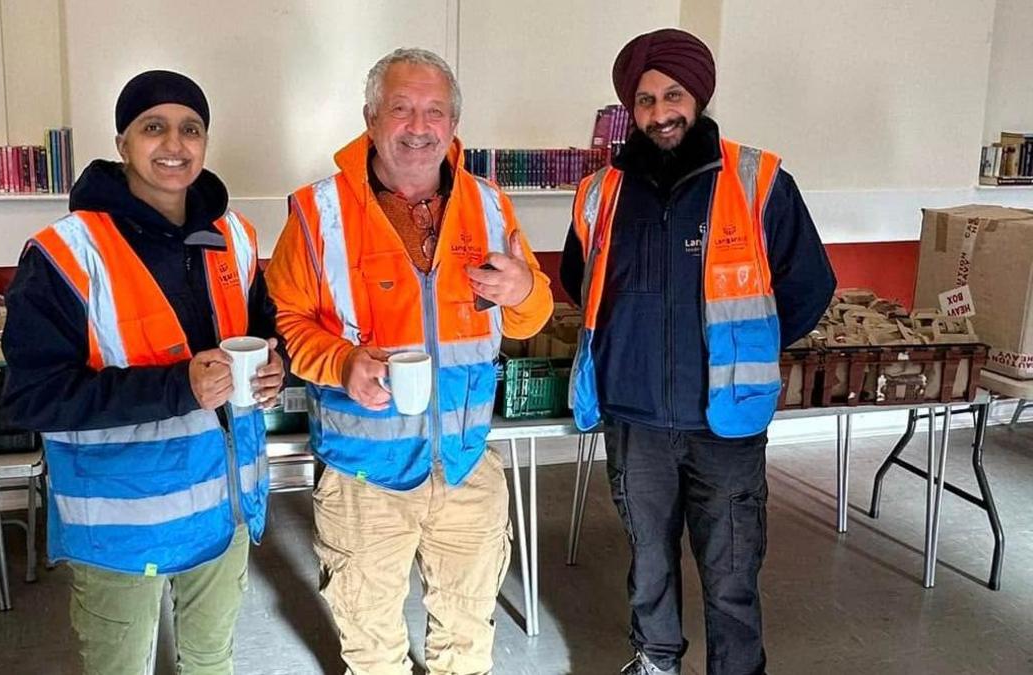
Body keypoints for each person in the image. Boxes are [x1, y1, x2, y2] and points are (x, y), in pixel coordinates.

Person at [265, 48, 552, 674]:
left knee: (467, 638)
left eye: (434, 111)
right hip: (364, 476)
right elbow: (288, 324)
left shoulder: (489, 205)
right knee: (371, 647)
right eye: (400, 109)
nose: (418, 127)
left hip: (468, 464)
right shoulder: (318, 213)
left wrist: (525, 291)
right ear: (371, 119)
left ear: (453, 124)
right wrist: (341, 363)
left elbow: (532, 316)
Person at [561, 28, 836, 675]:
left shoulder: (758, 180)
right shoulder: (601, 192)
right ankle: (656, 658)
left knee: (732, 567)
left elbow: (809, 285)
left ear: (699, 97)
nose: (660, 112)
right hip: (636, 420)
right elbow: (582, 279)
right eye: (646, 99)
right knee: (648, 560)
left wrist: (751, 346)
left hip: (724, 419)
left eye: (673, 95)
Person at [2, 70, 284, 674]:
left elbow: (265, 327)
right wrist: (176, 386)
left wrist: (276, 365)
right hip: (123, 524)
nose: (174, 144)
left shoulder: (234, 237)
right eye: (153, 127)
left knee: (212, 660)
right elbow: (33, 397)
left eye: (191, 129)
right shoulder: (65, 253)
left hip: (223, 505)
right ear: (122, 142)